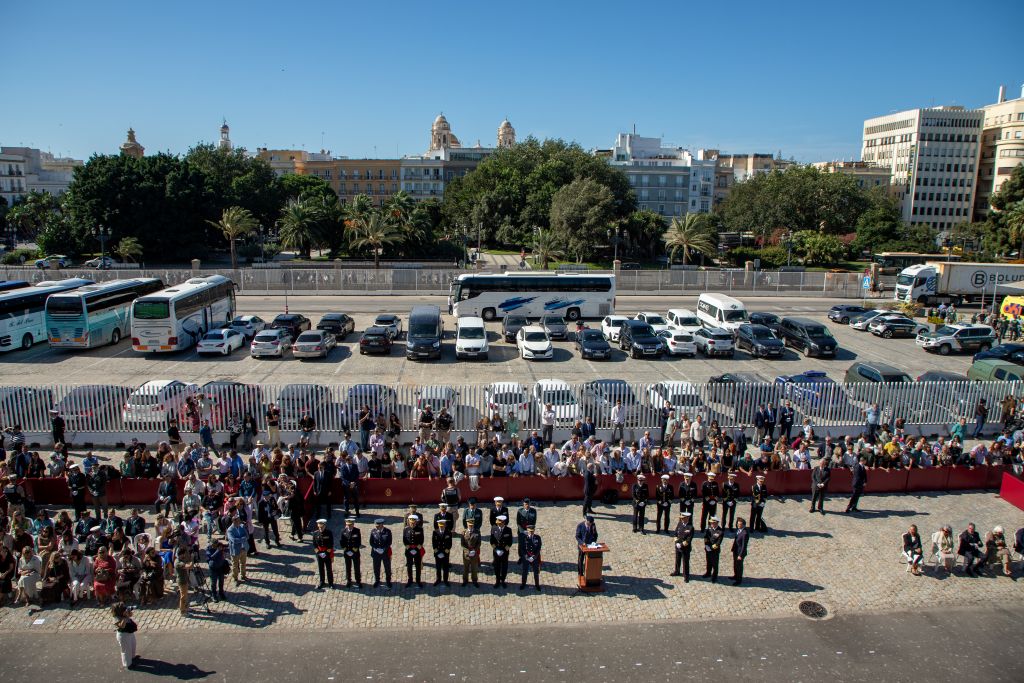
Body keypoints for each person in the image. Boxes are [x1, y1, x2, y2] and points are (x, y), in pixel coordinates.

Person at [112, 602, 138, 670]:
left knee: (133, 645)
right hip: (123, 635)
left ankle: (132, 657)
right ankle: (127, 664)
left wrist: (128, 613)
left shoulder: (125, 613)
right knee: (126, 650)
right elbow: (122, 626)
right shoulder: (116, 618)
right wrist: (124, 616)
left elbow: (131, 615)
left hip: (129, 632)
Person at [490, 514, 514, 588]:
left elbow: (510, 542)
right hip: (496, 552)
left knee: (504, 567)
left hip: (504, 552)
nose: (499, 525)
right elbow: (491, 541)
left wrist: (504, 550)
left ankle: (503, 580)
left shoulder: (508, 530)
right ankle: (497, 580)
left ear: (503, 523)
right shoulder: (494, 528)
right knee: (496, 567)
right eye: (498, 524)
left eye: (500, 524)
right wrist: (496, 549)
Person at [312, 518, 336, 588]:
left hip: (327, 553)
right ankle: (322, 581)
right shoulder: (315, 533)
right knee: (321, 568)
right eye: (319, 527)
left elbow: (331, 544)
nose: (320, 529)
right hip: (319, 554)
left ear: (325, 526)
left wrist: (326, 552)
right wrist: (319, 553)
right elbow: (314, 545)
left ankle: (331, 583)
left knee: (329, 569)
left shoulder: (329, 533)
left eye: (322, 527)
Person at [403, 514, 425, 587]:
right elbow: (404, 540)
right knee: (409, 566)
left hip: (417, 550)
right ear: (409, 522)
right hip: (409, 551)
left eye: (413, 522)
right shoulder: (406, 529)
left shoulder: (420, 529)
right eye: (411, 522)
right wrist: (409, 548)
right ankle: (410, 580)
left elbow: (422, 540)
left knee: (418, 566)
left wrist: (416, 549)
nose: (412, 523)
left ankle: (418, 580)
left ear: (416, 522)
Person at [339, 517, 363, 588]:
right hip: (347, 553)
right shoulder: (343, 531)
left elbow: (358, 542)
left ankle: (358, 580)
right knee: (348, 567)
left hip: (355, 553)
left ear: (353, 524)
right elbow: (342, 542)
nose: (349, 526)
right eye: (348, 525)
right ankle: (349, 580)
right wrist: (346, 550)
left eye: (350, 525)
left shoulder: (357, 531)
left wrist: (353, 551)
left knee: (357, 567)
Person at [369, 519, 392, 588]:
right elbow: (371, 542)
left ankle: (388, 581)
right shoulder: (373, 531)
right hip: (376, 553)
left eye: (378, 526)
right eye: (376, 526)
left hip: (385, 553)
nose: (376, 527)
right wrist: (376, 548)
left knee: (387, 568)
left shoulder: (387, 532)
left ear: (382, 525)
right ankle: (377, 580)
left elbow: (389, 542)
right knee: (376, 567)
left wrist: (384, 549)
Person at [671, 511, 694, 581]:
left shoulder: (690, 527)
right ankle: (677, 571)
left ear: (687, 518)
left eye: (683, 518)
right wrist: (676, 542)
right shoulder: (680, 523)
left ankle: (686, 576)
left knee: (685, 562)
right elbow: (675, 533)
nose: (682, 519)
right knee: (677, 560)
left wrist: (680, 545)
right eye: (681, 518)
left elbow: (688, 540)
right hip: (678, 546)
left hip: (685, 548)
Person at [519, 524, 542, 591]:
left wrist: (534, 557)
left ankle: (537, 585)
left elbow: (538, 548)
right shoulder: (523, 538)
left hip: (535, 558)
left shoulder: (537, 538)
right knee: (524, 572)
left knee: (536, 572)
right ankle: (523, 584)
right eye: (530, 531)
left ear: (534, 530)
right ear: (527, 530)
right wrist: (527, 557)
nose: (531, 532)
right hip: (526, 558)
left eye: (532, 531)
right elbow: (522, 549)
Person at [227, 515, 249, 584]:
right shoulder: (230, 530)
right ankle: (235, 578)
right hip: (235, 550)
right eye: (238, 520)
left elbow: (247, 536)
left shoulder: (242, 526)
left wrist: (241, 539)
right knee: (235, 565)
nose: (240, 521)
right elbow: (234, 540)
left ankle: (243, 575)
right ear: (234, 521)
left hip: (243, 548)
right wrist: (242, 539)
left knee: (243, 563)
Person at [431, 519, 453, 586]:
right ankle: (438, 579)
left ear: (445, 525)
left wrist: (445, 551)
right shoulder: (435, 532)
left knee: (445, 567)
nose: (441, 527)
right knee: (438, 567)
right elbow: (434, 543)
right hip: (438, 552)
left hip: (445, 552)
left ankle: (445, 580)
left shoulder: (448, 532)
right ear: (438, 525)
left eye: (443, 526)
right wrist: (437, 552)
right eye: (440, 526)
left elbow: (450, 543)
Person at [461, 517, 482, 587]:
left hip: (474, 554)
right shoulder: (463, 533)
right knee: (465, 568)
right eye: (469, 525)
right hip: (466, 554)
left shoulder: (477, 532)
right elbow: (462, 544)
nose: (470, 526)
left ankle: (474, 580)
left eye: (472, 525)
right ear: (467, 524)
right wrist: (467, 551)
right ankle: (465, 580)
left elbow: (479, 543)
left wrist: (474, 550)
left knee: (474, 568)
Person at [703, 516, 724, 583]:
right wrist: (706, 545)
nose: (712, 524)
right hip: (708, 548)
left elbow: (718, 542)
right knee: (708, 561)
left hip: (715, 550)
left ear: (717, 523)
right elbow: (706, 537)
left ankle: (714, 576)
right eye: (711, 523)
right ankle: (708, 573)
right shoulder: (709, 528)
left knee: (715, 564)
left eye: (713, 523)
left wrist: (711, 548)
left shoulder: (720, 531)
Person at [175, 542, 193, 616]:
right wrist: (192, 559)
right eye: (184, 554)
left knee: (185, 595)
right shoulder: (178, 562)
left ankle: (186, 607)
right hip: (182, 581)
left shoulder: (181, 560)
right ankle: (182, 611)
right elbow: (189, 566)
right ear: (181, 554)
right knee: (183, 596)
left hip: (185, 579)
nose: (185, 555)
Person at [731, 518, 749, 585]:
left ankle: (739, 580)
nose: (738, 525)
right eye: (738, 524)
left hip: (740, 552)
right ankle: (735, 576)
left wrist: (740, 555)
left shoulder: (745, 533)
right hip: (735, 550)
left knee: (739, 566)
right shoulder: (738, 530)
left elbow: (744, 545)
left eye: (740, 524)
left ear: (743, 525)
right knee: (735, 565)